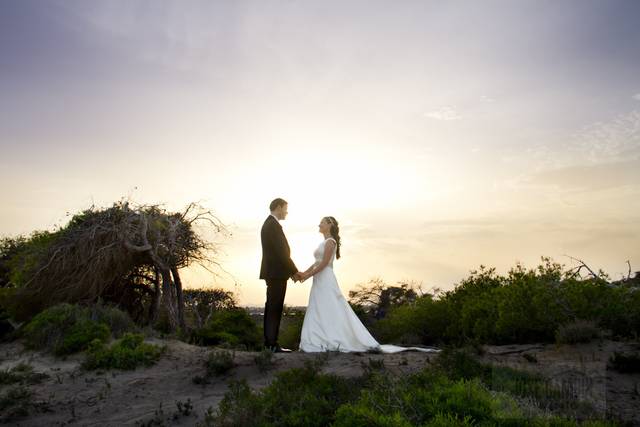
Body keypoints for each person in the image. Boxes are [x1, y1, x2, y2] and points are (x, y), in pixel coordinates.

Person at [298, 216, 440, 353]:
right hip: (319, 279)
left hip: (326, 278)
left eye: (322, 222)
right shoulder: (323, 243)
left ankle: (331, 338)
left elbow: (324, 263)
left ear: (330, 225)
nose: (319, 225)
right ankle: (320, 337)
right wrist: (304, 274)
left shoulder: (330, 242)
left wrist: (307, 275)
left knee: (329, 306)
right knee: (319, 306)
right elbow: (317, 263)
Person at [259, 198, 302, 353]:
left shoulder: (270, 224)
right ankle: (271, 344)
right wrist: (294, 271)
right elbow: (281, 253)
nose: (286, 212)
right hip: (276, 273)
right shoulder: (272, 225)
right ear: (278, 207)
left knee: (272, 307)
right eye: (285, 208)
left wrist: (290, 271)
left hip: (276, 272)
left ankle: (270, 343)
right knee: (274, 308)